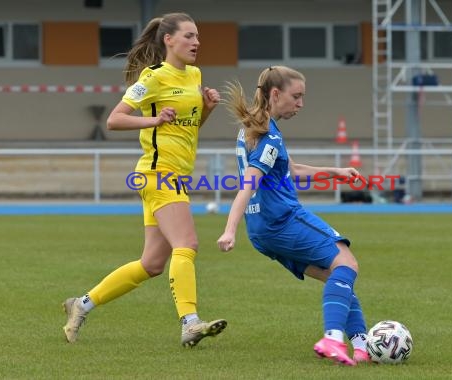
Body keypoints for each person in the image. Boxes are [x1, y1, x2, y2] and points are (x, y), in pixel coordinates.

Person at [62, 12, 227, 347]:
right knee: (188, 244)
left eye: (197, 37)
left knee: (152, 263)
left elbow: (188, 129)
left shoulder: (195, 75)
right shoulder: (152, 77)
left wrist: (206, 108)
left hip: (177, 174)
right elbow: (114, 120)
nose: (196, 43)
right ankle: (190, 323)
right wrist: (153, 121)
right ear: (169, 40)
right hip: (158, 173)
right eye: (189, 36)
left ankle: (81, 305)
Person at [216, 66, 369, 366]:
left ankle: (362, 346)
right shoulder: (269, 136)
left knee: (336, 277)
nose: (301, 104)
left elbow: (291, 169)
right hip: (282, 220)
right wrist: (229, 229)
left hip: (262, 231)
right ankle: (333, 338)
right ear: (275, 94)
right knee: (347, 263)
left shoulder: (253, 126)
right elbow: (249, 183)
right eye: (296, 96)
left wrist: (334, 172)